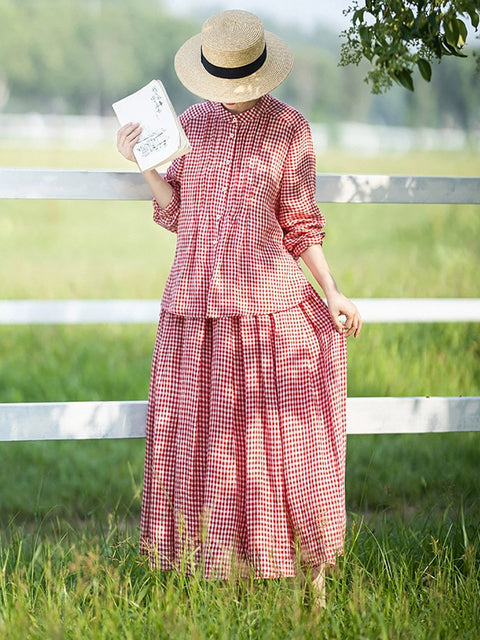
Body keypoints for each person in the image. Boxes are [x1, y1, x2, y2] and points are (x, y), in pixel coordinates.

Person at [117, 9, 361, 605]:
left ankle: (312, 574)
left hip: (268, 309)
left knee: (284, 443)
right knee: (206, 441)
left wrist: (332, 290)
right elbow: (181, 215)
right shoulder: (191, 125)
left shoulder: (291, 131)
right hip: (196, 309)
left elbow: (299, 223)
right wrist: (145, 164)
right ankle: (221, 575)